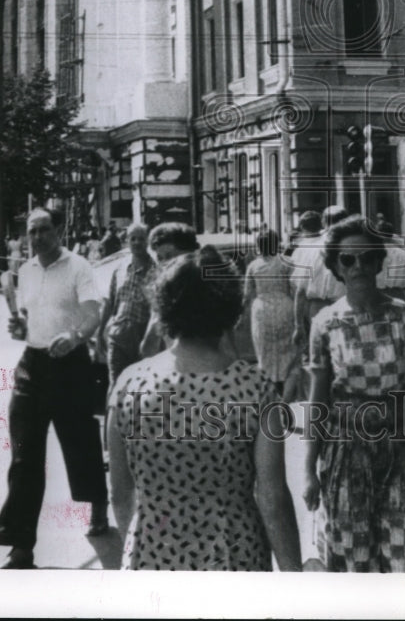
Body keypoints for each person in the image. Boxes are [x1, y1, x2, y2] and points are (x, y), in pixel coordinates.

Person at [107, 250, 302, 571]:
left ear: (163, 309)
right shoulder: (255, 389)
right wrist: (293, 574)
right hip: (234, 558)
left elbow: (120, 492)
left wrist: (139, 543)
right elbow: (272, 497)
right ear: (233, 310)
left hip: (152, 556)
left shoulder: (130, 383)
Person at [303, 216, 405, 572]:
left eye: (367, 258)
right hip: (344, 454)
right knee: (354, 561)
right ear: (335, 266)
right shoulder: (325, 323)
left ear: (379, 261)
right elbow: (317, 402)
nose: (359, 267)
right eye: (348, 260)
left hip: (403, 452)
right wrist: (308, 468)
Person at [0, 206, 109, 568]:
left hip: (71, 365)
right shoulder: (24, 272)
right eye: (32, 231)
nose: (37, 238)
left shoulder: (79, 267)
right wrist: (19, 328)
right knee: (24, 456)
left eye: (44, 230)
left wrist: (76, 336)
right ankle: (21, 545)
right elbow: (27, 319)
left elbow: (95, 313)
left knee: (81, 445)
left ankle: (97, 505)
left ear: (59, 230)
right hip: (32, 366)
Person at [99, 223, 157, 389]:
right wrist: (102, 329)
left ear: (148, 242)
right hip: (118, 335)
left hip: (142, 335)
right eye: (133, 239)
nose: (137, 242)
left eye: (141, 238)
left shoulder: (155, 270)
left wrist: (149, 340)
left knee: (141, 386)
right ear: (127, 242)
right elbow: (109, 302)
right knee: (116, 385)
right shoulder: (120, 268)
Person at [136, 222, 200, 359]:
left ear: (191, 254)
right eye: (160, 258)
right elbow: (147, 349)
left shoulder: (207, 289)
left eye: (170, 256)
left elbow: (228, 345)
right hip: (175, 370)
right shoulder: (164, 294)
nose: (165, 264)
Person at [244, 229, 294, 391]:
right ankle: (286, 399)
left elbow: (246, 295)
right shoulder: (287, 262)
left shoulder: (253, 266)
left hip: (262, 309)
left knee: (264, 354)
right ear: (277, 243)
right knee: (289, 353)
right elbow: (295, 289)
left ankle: (270, 396)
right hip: (285, 306)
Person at [291, 206, 348, 348]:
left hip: (322, 307)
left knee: (324, 352)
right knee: (343, 349)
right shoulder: (352, 247)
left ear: (323, 223)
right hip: (340, 305)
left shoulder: (308, 248)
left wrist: (298, 325)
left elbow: (300, 291)